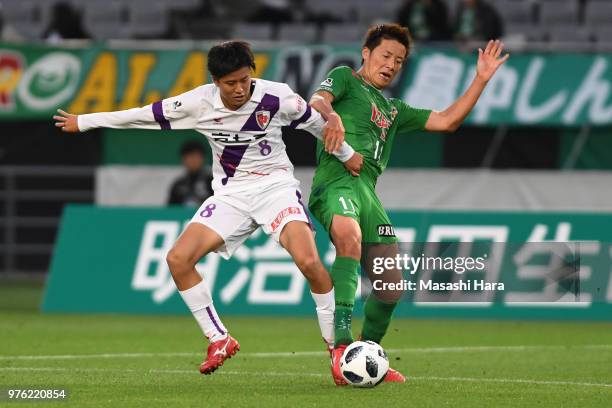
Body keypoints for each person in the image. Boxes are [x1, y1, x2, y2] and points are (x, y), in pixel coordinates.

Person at [54, 41, 363, 376]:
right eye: (231, 83)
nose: (239, 89)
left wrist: (347, 154)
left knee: (308, 261)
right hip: (231, 195)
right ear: (216, 81)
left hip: (276, 188)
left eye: (245, 80)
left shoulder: (277, 96)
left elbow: (316, 123)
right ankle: (218, 337)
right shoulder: (197, 103)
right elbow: (143, 115)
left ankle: (338, 348)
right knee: (178, 259)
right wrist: (84, 121)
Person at [308, 23, 508, 385]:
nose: (391, 64)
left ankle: (367, 356)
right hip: (336, 179)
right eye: (386, 55)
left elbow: (447, 121)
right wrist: (332, 115)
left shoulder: (394, 109)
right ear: (366, 53)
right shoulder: (344, 79)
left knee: (390, 286)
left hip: (368, 191)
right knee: (348, 238)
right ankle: (340, 347)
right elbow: (317, 102)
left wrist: (481, 80)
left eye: (399, 61)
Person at [167, 140, 214, 206]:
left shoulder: (212, 182)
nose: (193, 160)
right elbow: (170, 211)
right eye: (189, 157)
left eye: (196, 156)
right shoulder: (178, 185)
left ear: (203, 158)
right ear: (183, 159)